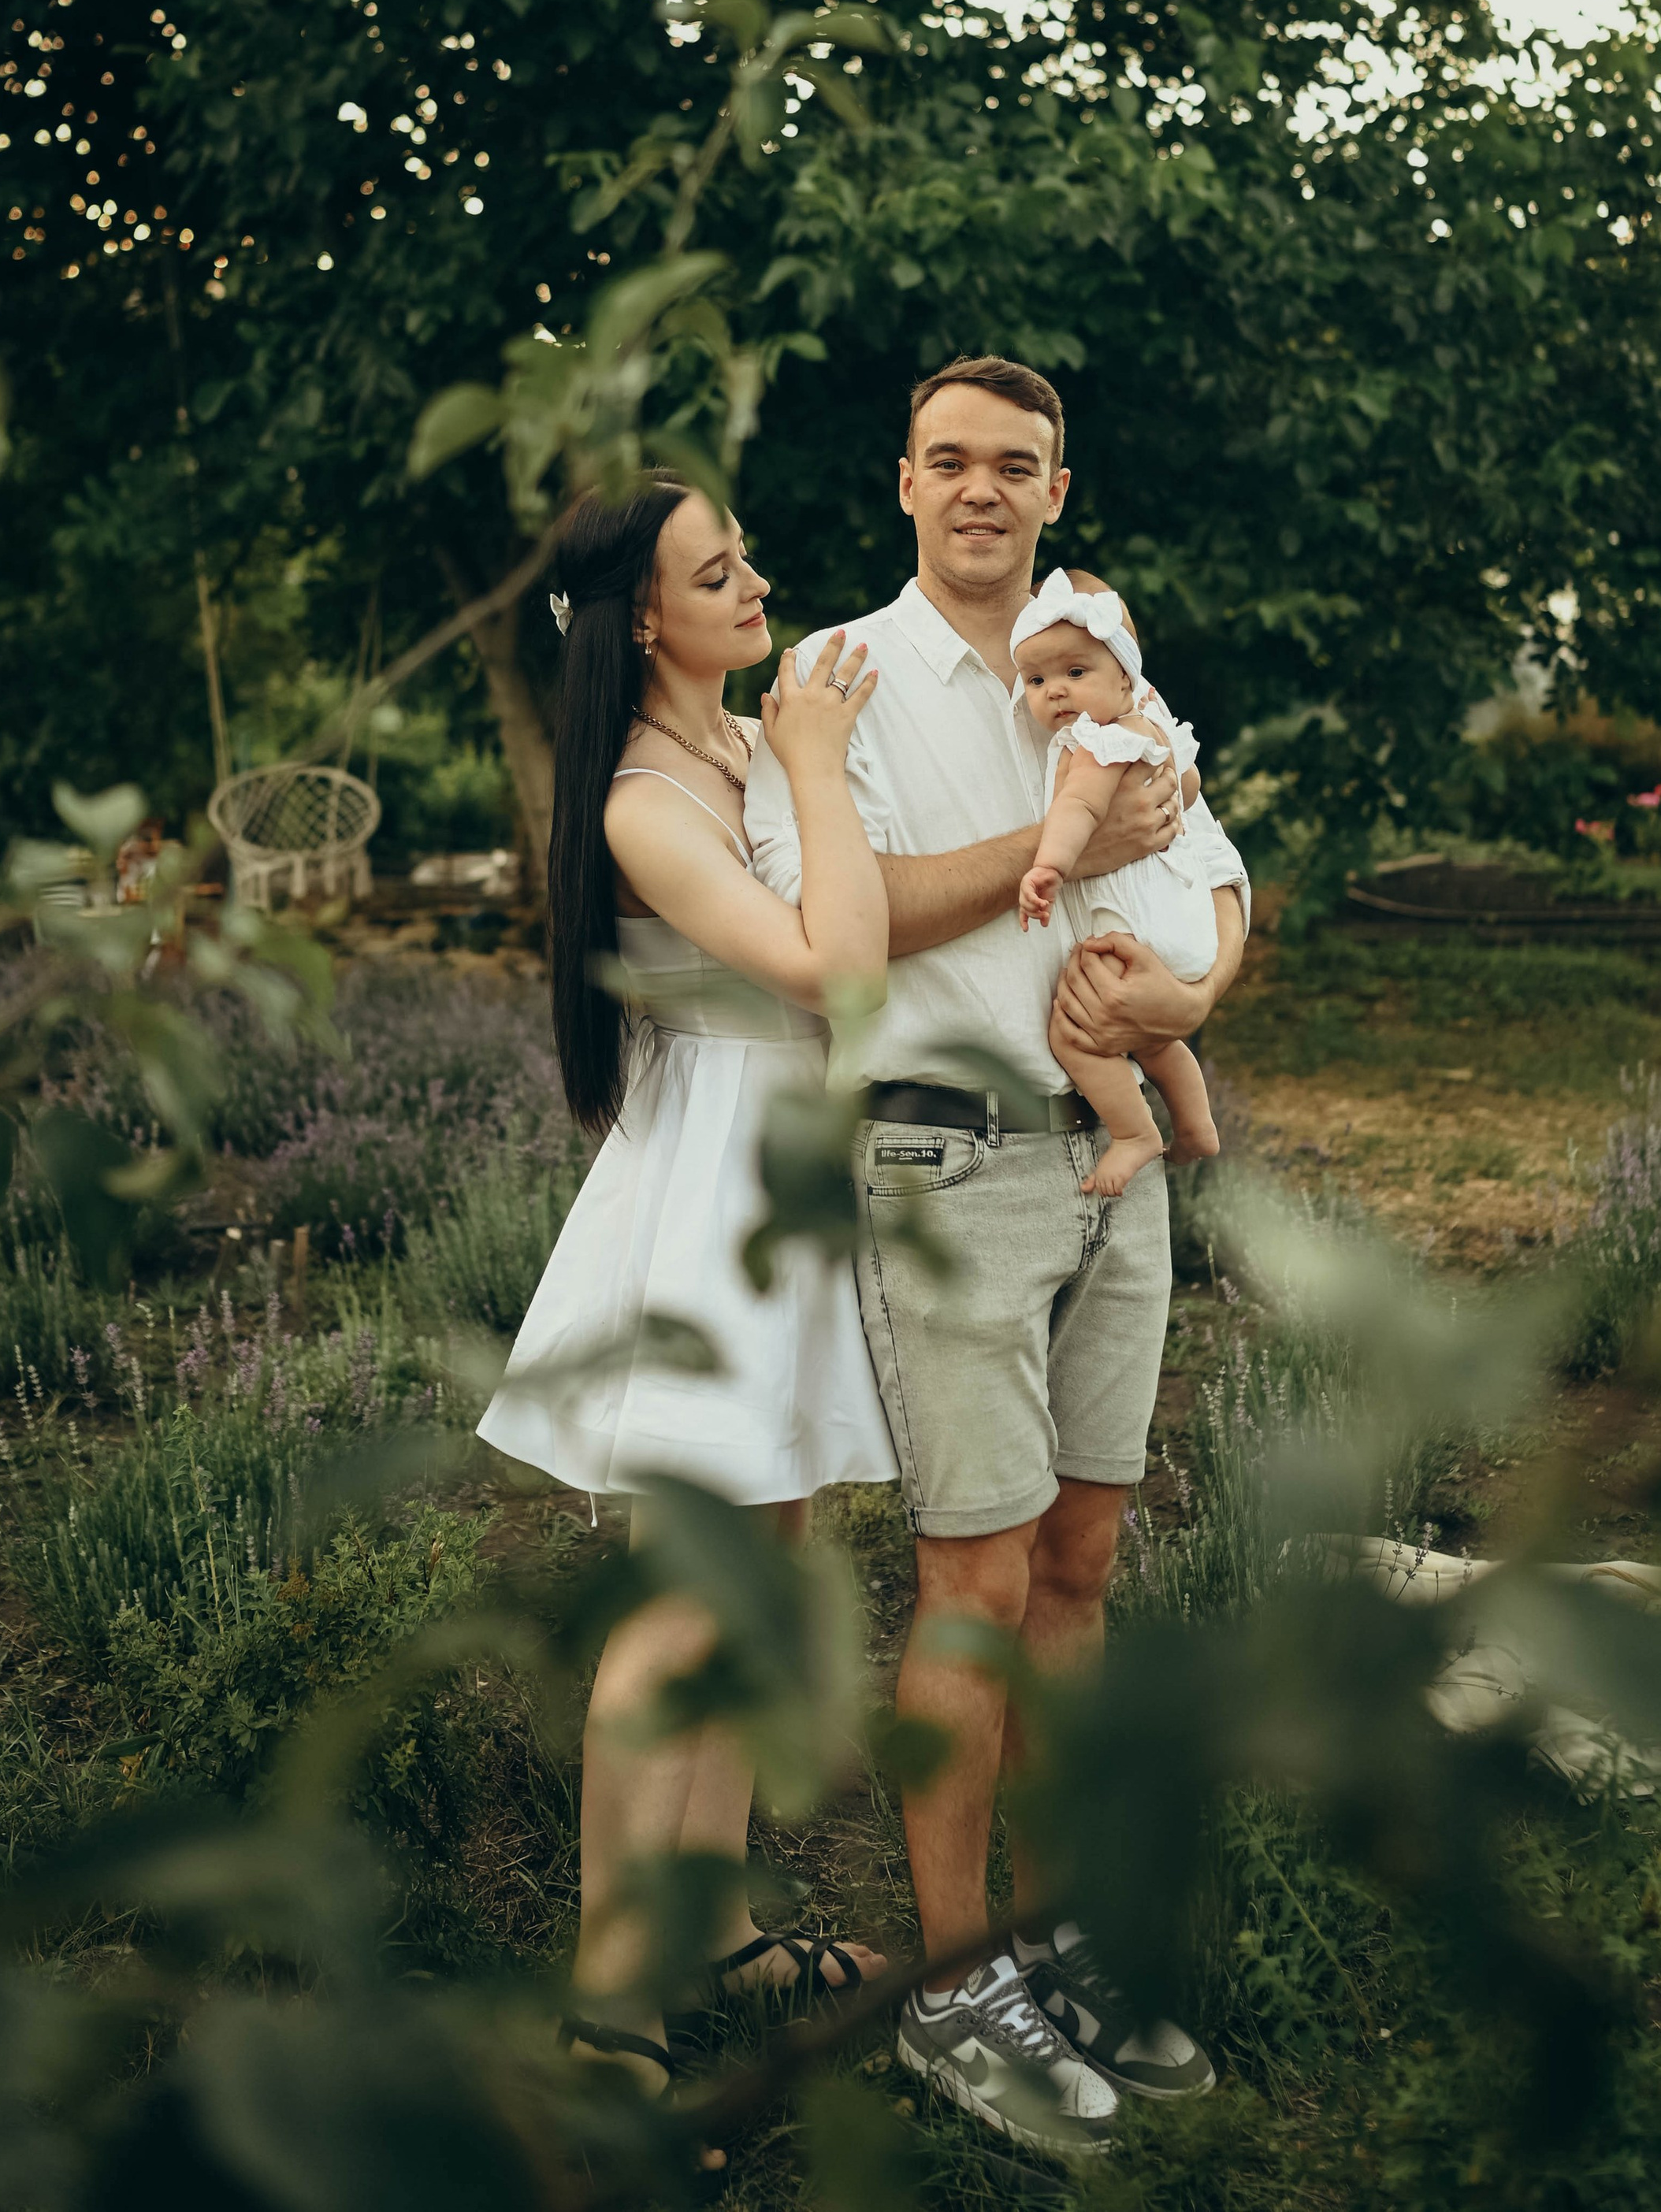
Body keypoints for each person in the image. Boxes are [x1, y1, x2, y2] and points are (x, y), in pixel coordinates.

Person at [745, 355, 1249, 2158]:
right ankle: (954, 1980)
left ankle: (1061, 1938)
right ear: (900, 479)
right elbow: (830, 937)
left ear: (1053, 482)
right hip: (942, 1151)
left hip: (1108, 1161)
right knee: (969, 1574)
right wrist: (1053, 850)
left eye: (1012, 463)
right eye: (946, 458)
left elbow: (1210, 871)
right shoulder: (832, 680)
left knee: (1080, 1558)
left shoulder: (1101, 659)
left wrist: (1187, 978)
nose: (979, 486)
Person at [477, 475, 898, 2124]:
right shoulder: (650, 798)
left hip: (788, 1182)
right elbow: (831, 969)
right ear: (639, 621)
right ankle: (601, 2003)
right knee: (674, 1604)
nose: (755, 581)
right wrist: (813, 765)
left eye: (747, 553)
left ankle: (714, 1924)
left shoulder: (731, 749)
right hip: (711, 1208)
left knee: (766, 1560)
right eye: (717, 571)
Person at [1013, 564, 1250, 1189]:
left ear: (1126, 674)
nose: (1055, 692)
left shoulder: (1100, 740)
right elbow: (1190, 790)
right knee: (1149, 1039)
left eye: (1074, 673)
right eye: (1037, 679)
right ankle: (1197, 1125)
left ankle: (1136, 1131)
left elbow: (1079, 809)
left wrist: (1048, 866)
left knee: (1078, 1036)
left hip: (1138, 930)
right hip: (1182, 926)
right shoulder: (1150, 727)